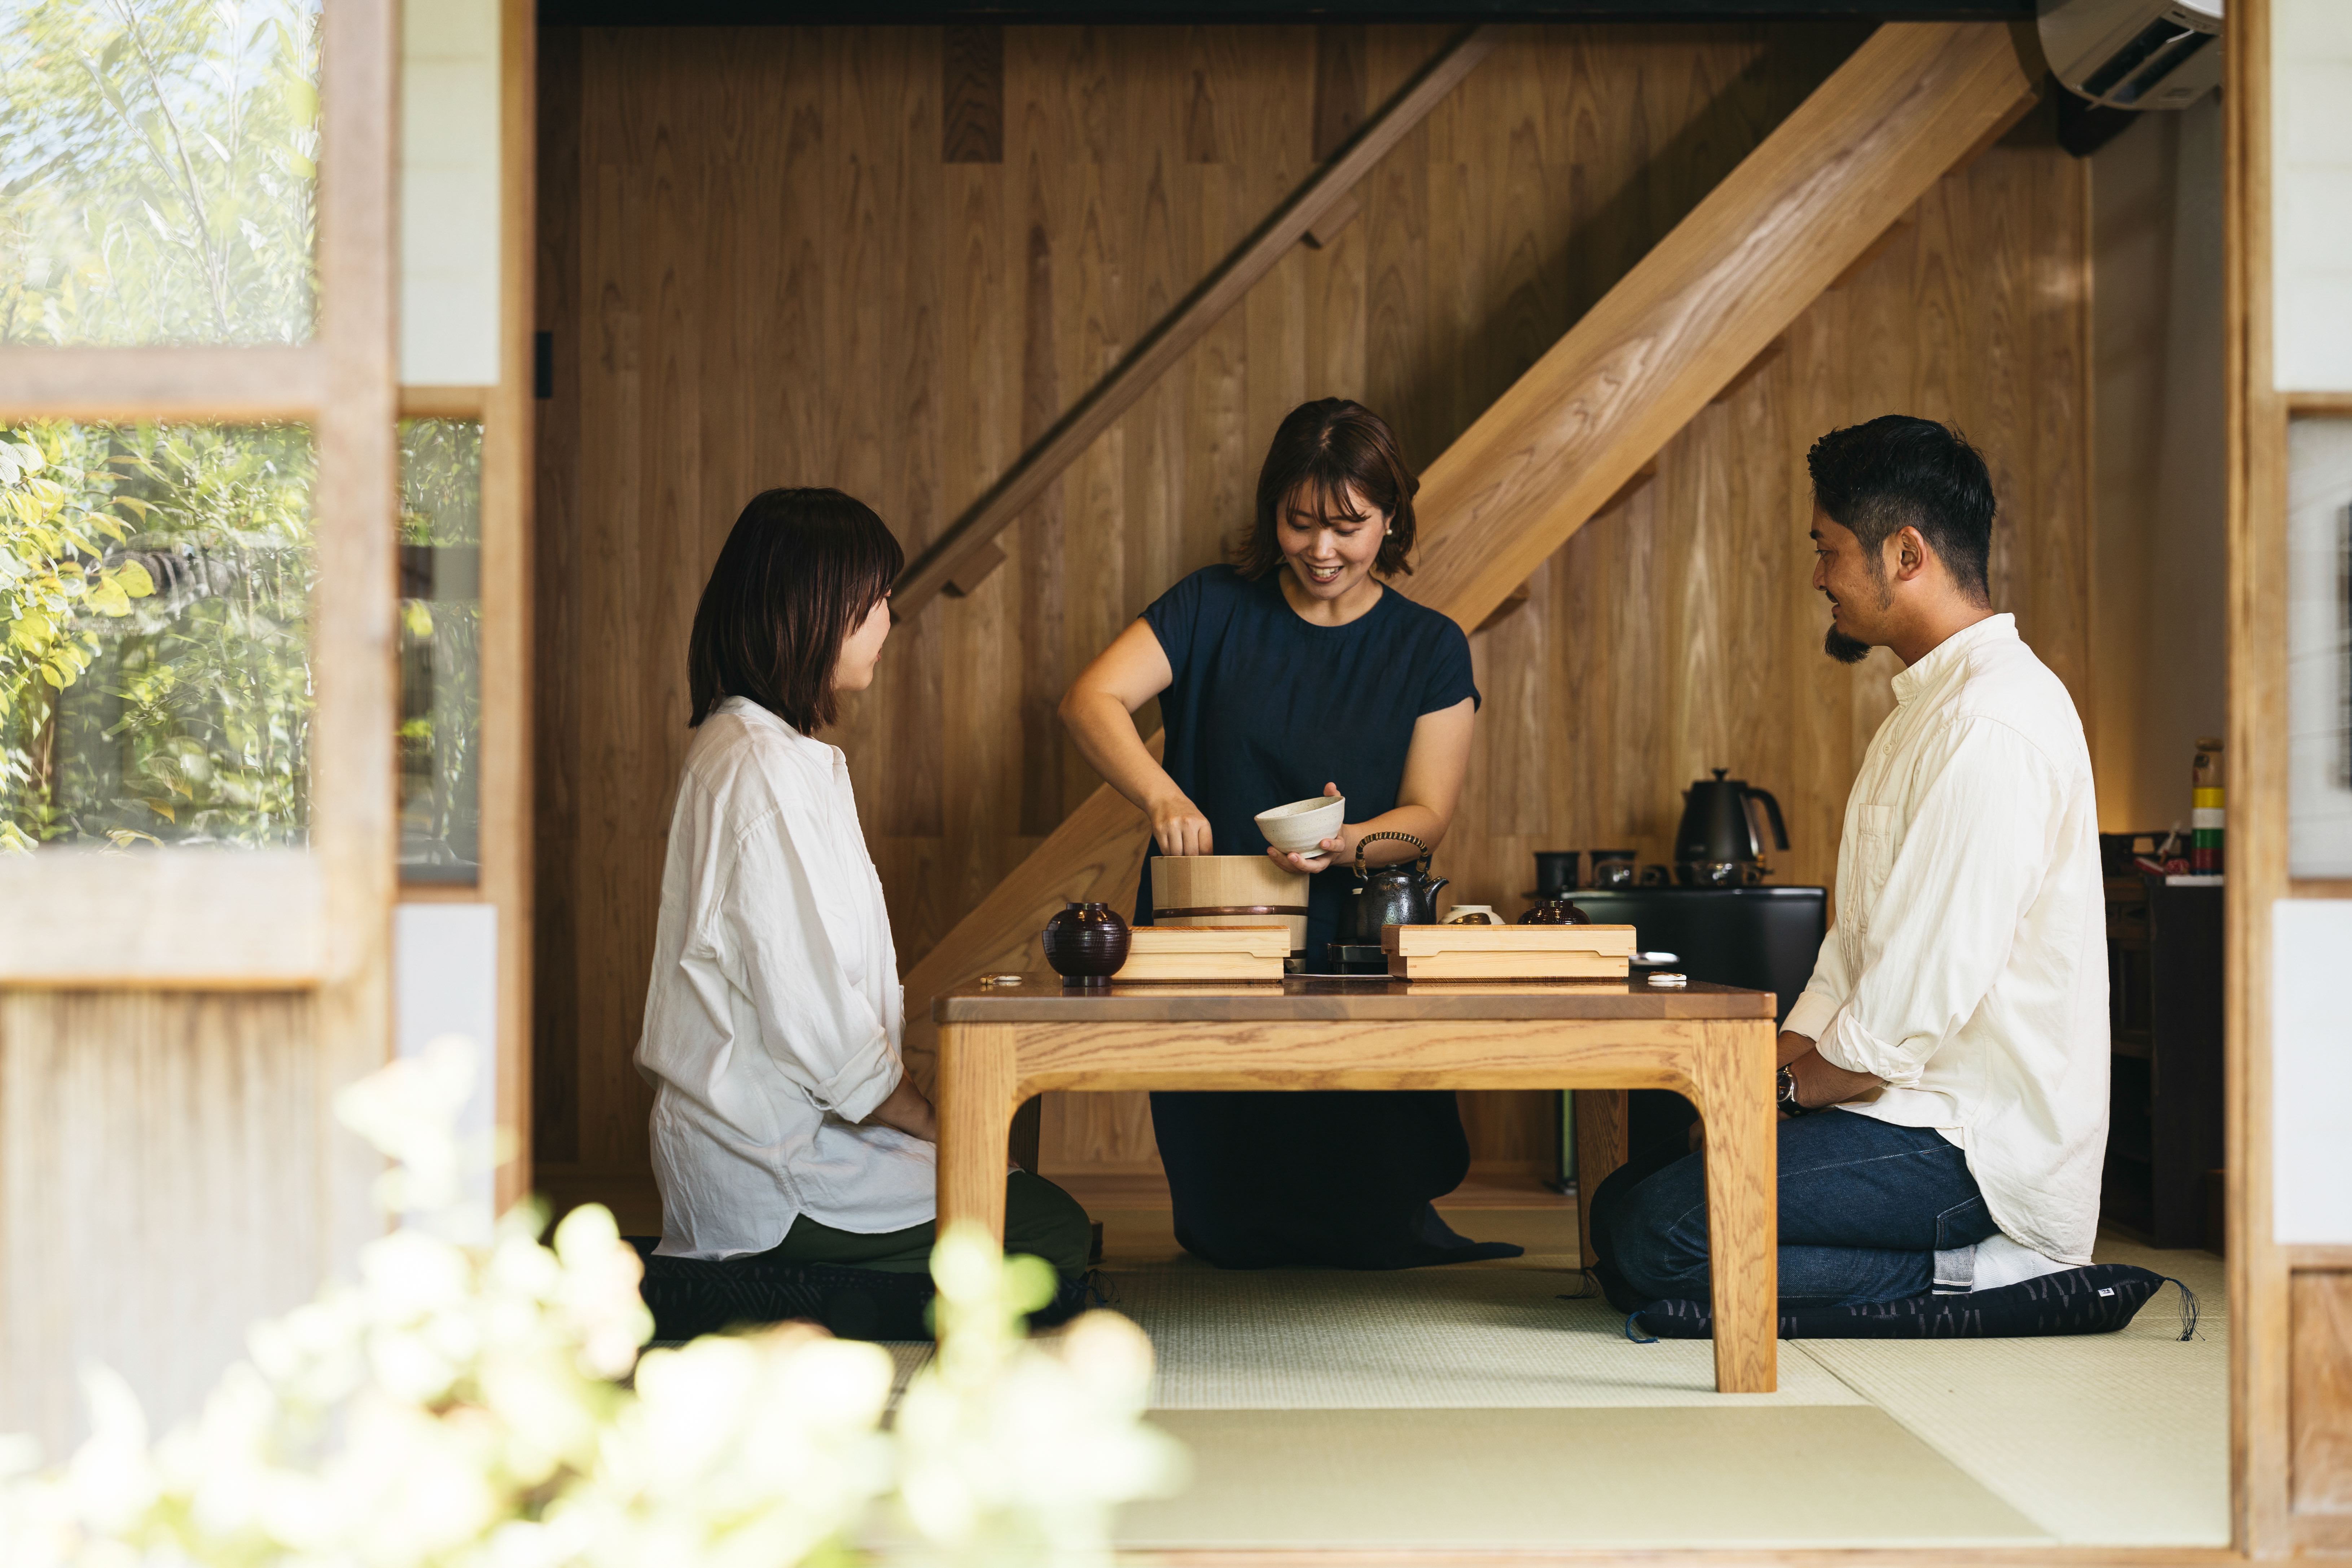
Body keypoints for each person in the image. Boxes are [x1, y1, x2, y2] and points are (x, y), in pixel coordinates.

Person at [1592, 416, 2109, 1309]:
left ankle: (1983, 1275)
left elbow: (1905, 1012)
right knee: (1618, 1204)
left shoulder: (1993, 722)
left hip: (1972, 1144)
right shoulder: (1921, 713)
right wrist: (1744, 1089)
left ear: (1904, 553)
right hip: (1895, 1104)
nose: (1818, 575)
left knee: (1657, 1238)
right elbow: (1847, 968)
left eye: (1827, 550)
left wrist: (1775, 1099)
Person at [1058, 398, 1521, 1270]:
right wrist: (1161, 797)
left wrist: (1347, 843)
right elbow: (1090, 699)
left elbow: (1424, 817)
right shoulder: (1209, 606)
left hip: (1350, 946)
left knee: (1368, 1228)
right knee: (1227, 1233)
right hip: (1212, 948)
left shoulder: (1428, 647)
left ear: (1391, 520)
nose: (1321, 548)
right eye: (1300, 521)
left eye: (1347, 525)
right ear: (1272, 514)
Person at [635, 487, 1093, 1290]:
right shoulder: (758, 766)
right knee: (1047, 1233)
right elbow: (813, 1013)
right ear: (811, 609)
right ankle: (781, 1288)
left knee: (1026, 1207)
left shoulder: (763, 746)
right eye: (876, 600)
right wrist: (935, 1122)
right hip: (769, 1169)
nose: (888, 620)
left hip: (803, 1139)